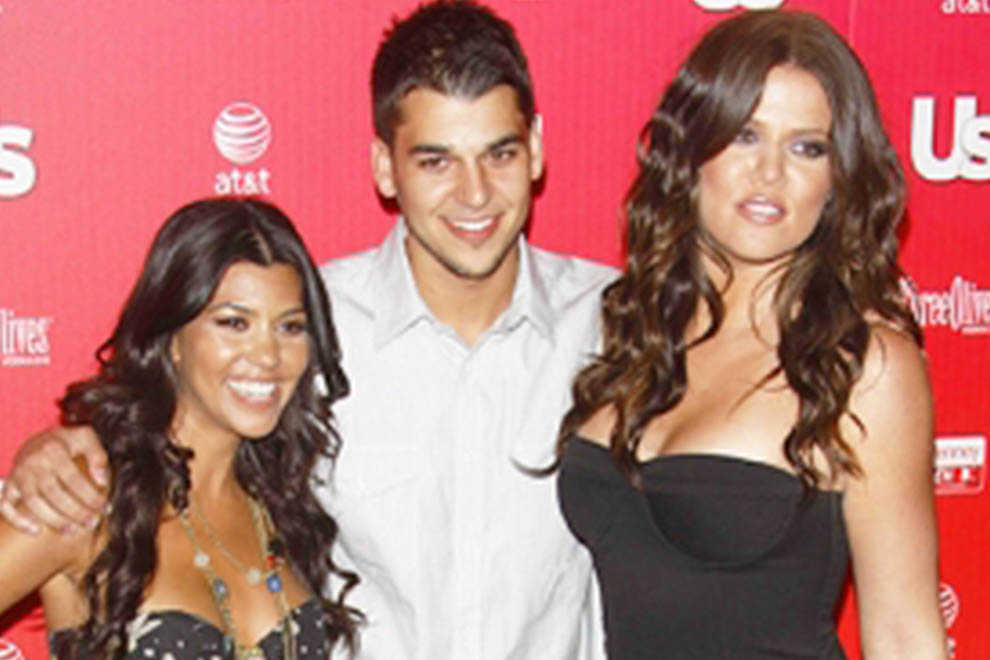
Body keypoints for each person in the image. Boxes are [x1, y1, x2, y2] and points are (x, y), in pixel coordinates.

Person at [1, 3, 615, 658]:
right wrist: (56, 457)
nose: (474, 193)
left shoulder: (616, 325)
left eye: (499, 154)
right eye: (436, 161)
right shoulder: (319, 317)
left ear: (536, 149)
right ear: (385, 166)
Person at [555, 10, 946, 659]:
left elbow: (905, 638)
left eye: (807, 147)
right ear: (691, 151)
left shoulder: (864, 366)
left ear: (838, 178)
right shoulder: (634, 331)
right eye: (744, 135)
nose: (769, 173)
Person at [0, 198, 361, 659]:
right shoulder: (85, 493)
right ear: (171, 338)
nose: (268, 356)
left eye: (290, 327)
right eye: (234, 323)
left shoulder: (281, 503)